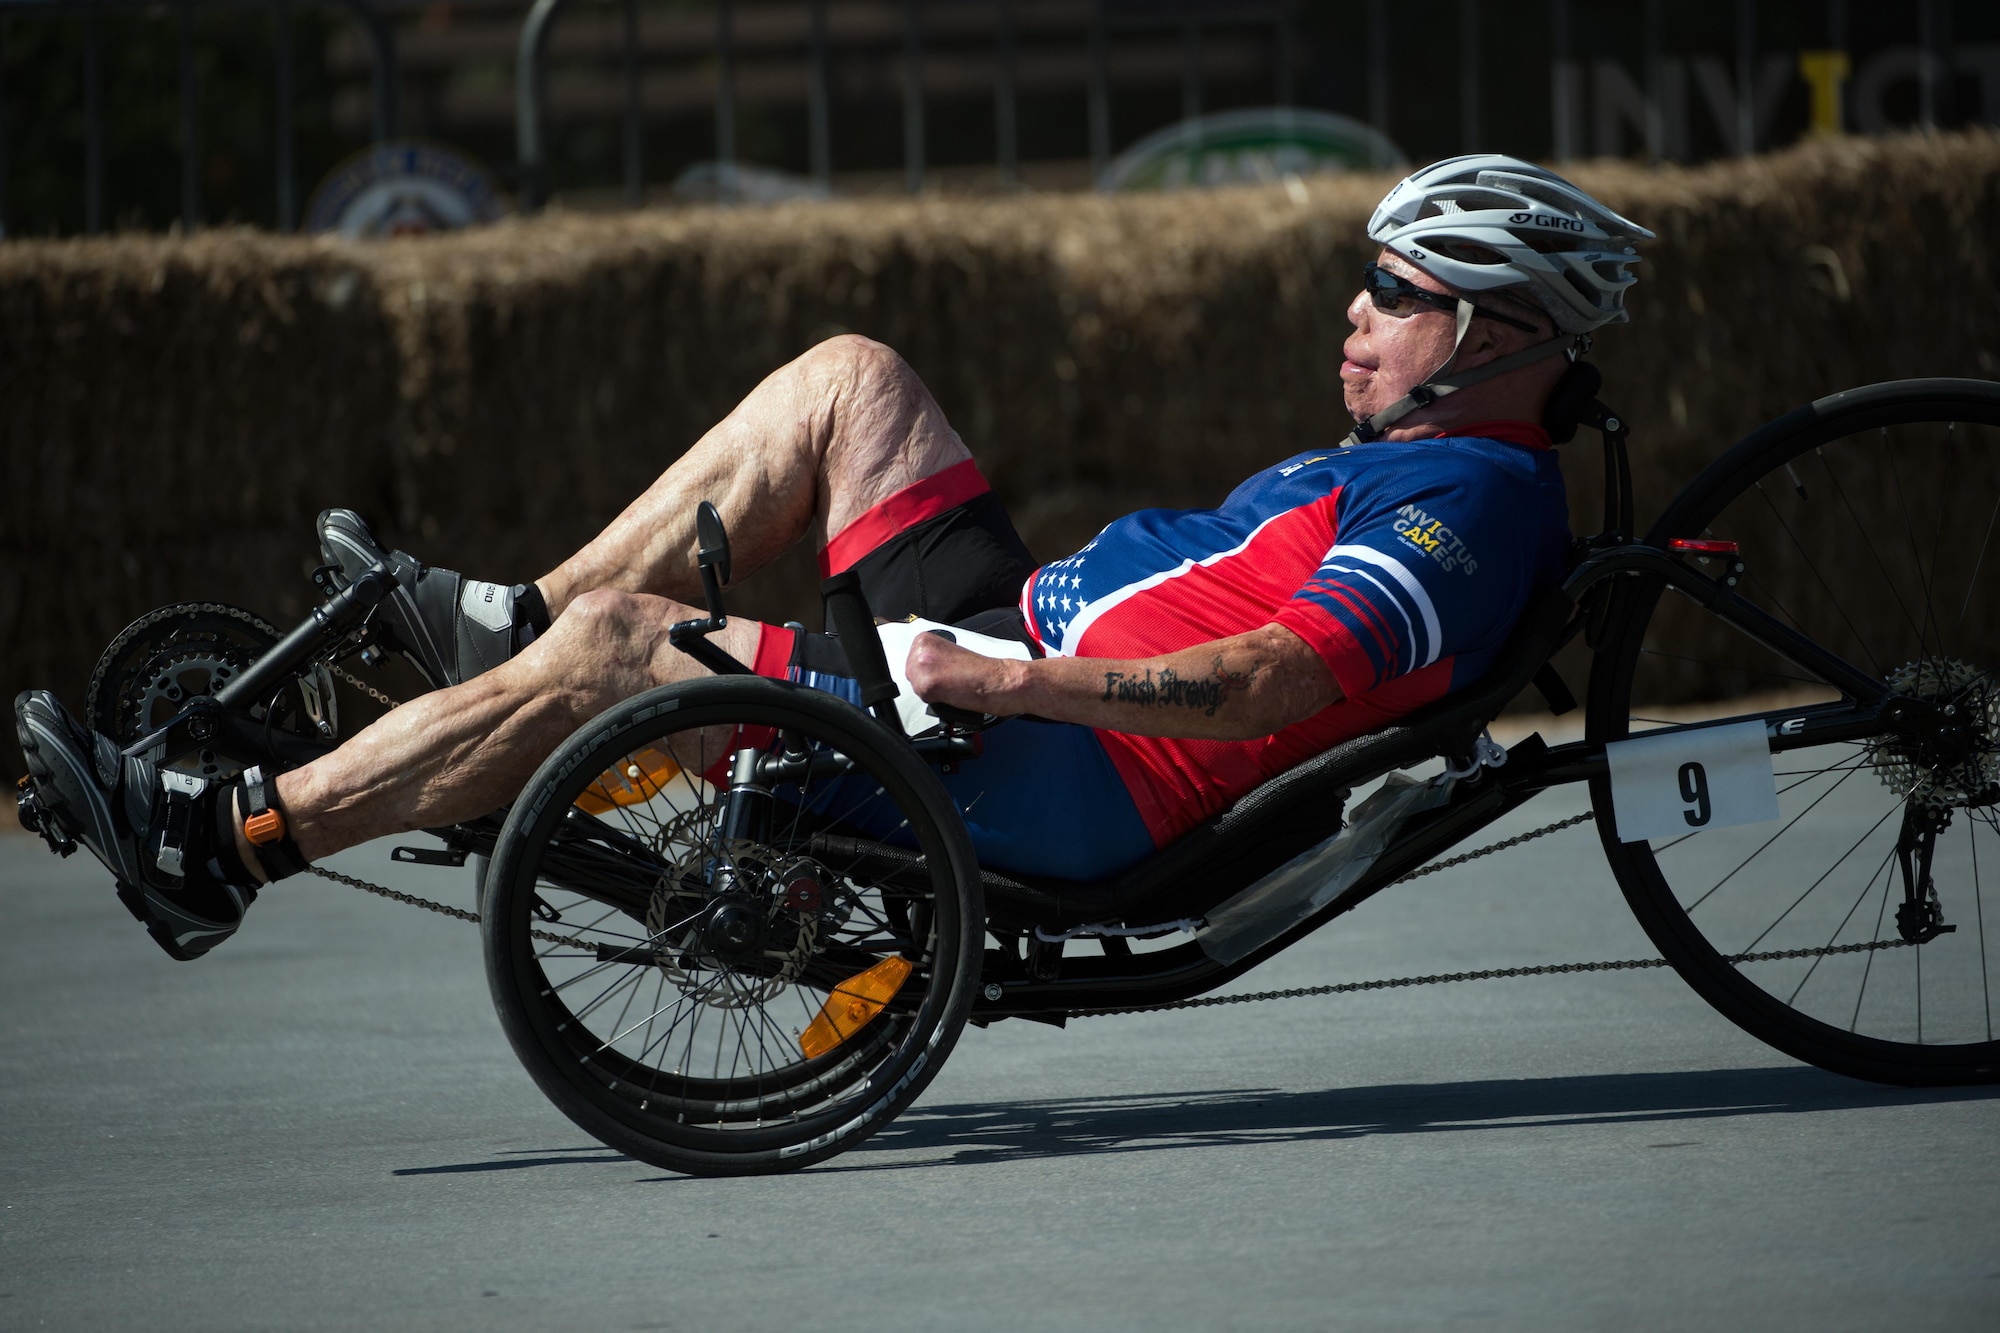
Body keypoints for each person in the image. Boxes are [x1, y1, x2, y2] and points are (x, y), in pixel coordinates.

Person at [14, 156, 1651, 962]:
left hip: (1033, 761)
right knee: (850, 377)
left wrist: (1004, 674)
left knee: (618, 661)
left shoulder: (1467, 507)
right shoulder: (1412, 456)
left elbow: (1269, 679)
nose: (1353, 313)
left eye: (1392, 289)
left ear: (1491, 328)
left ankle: (224, 843)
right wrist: (997, 642)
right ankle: (498, 628)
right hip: (1001, 659)